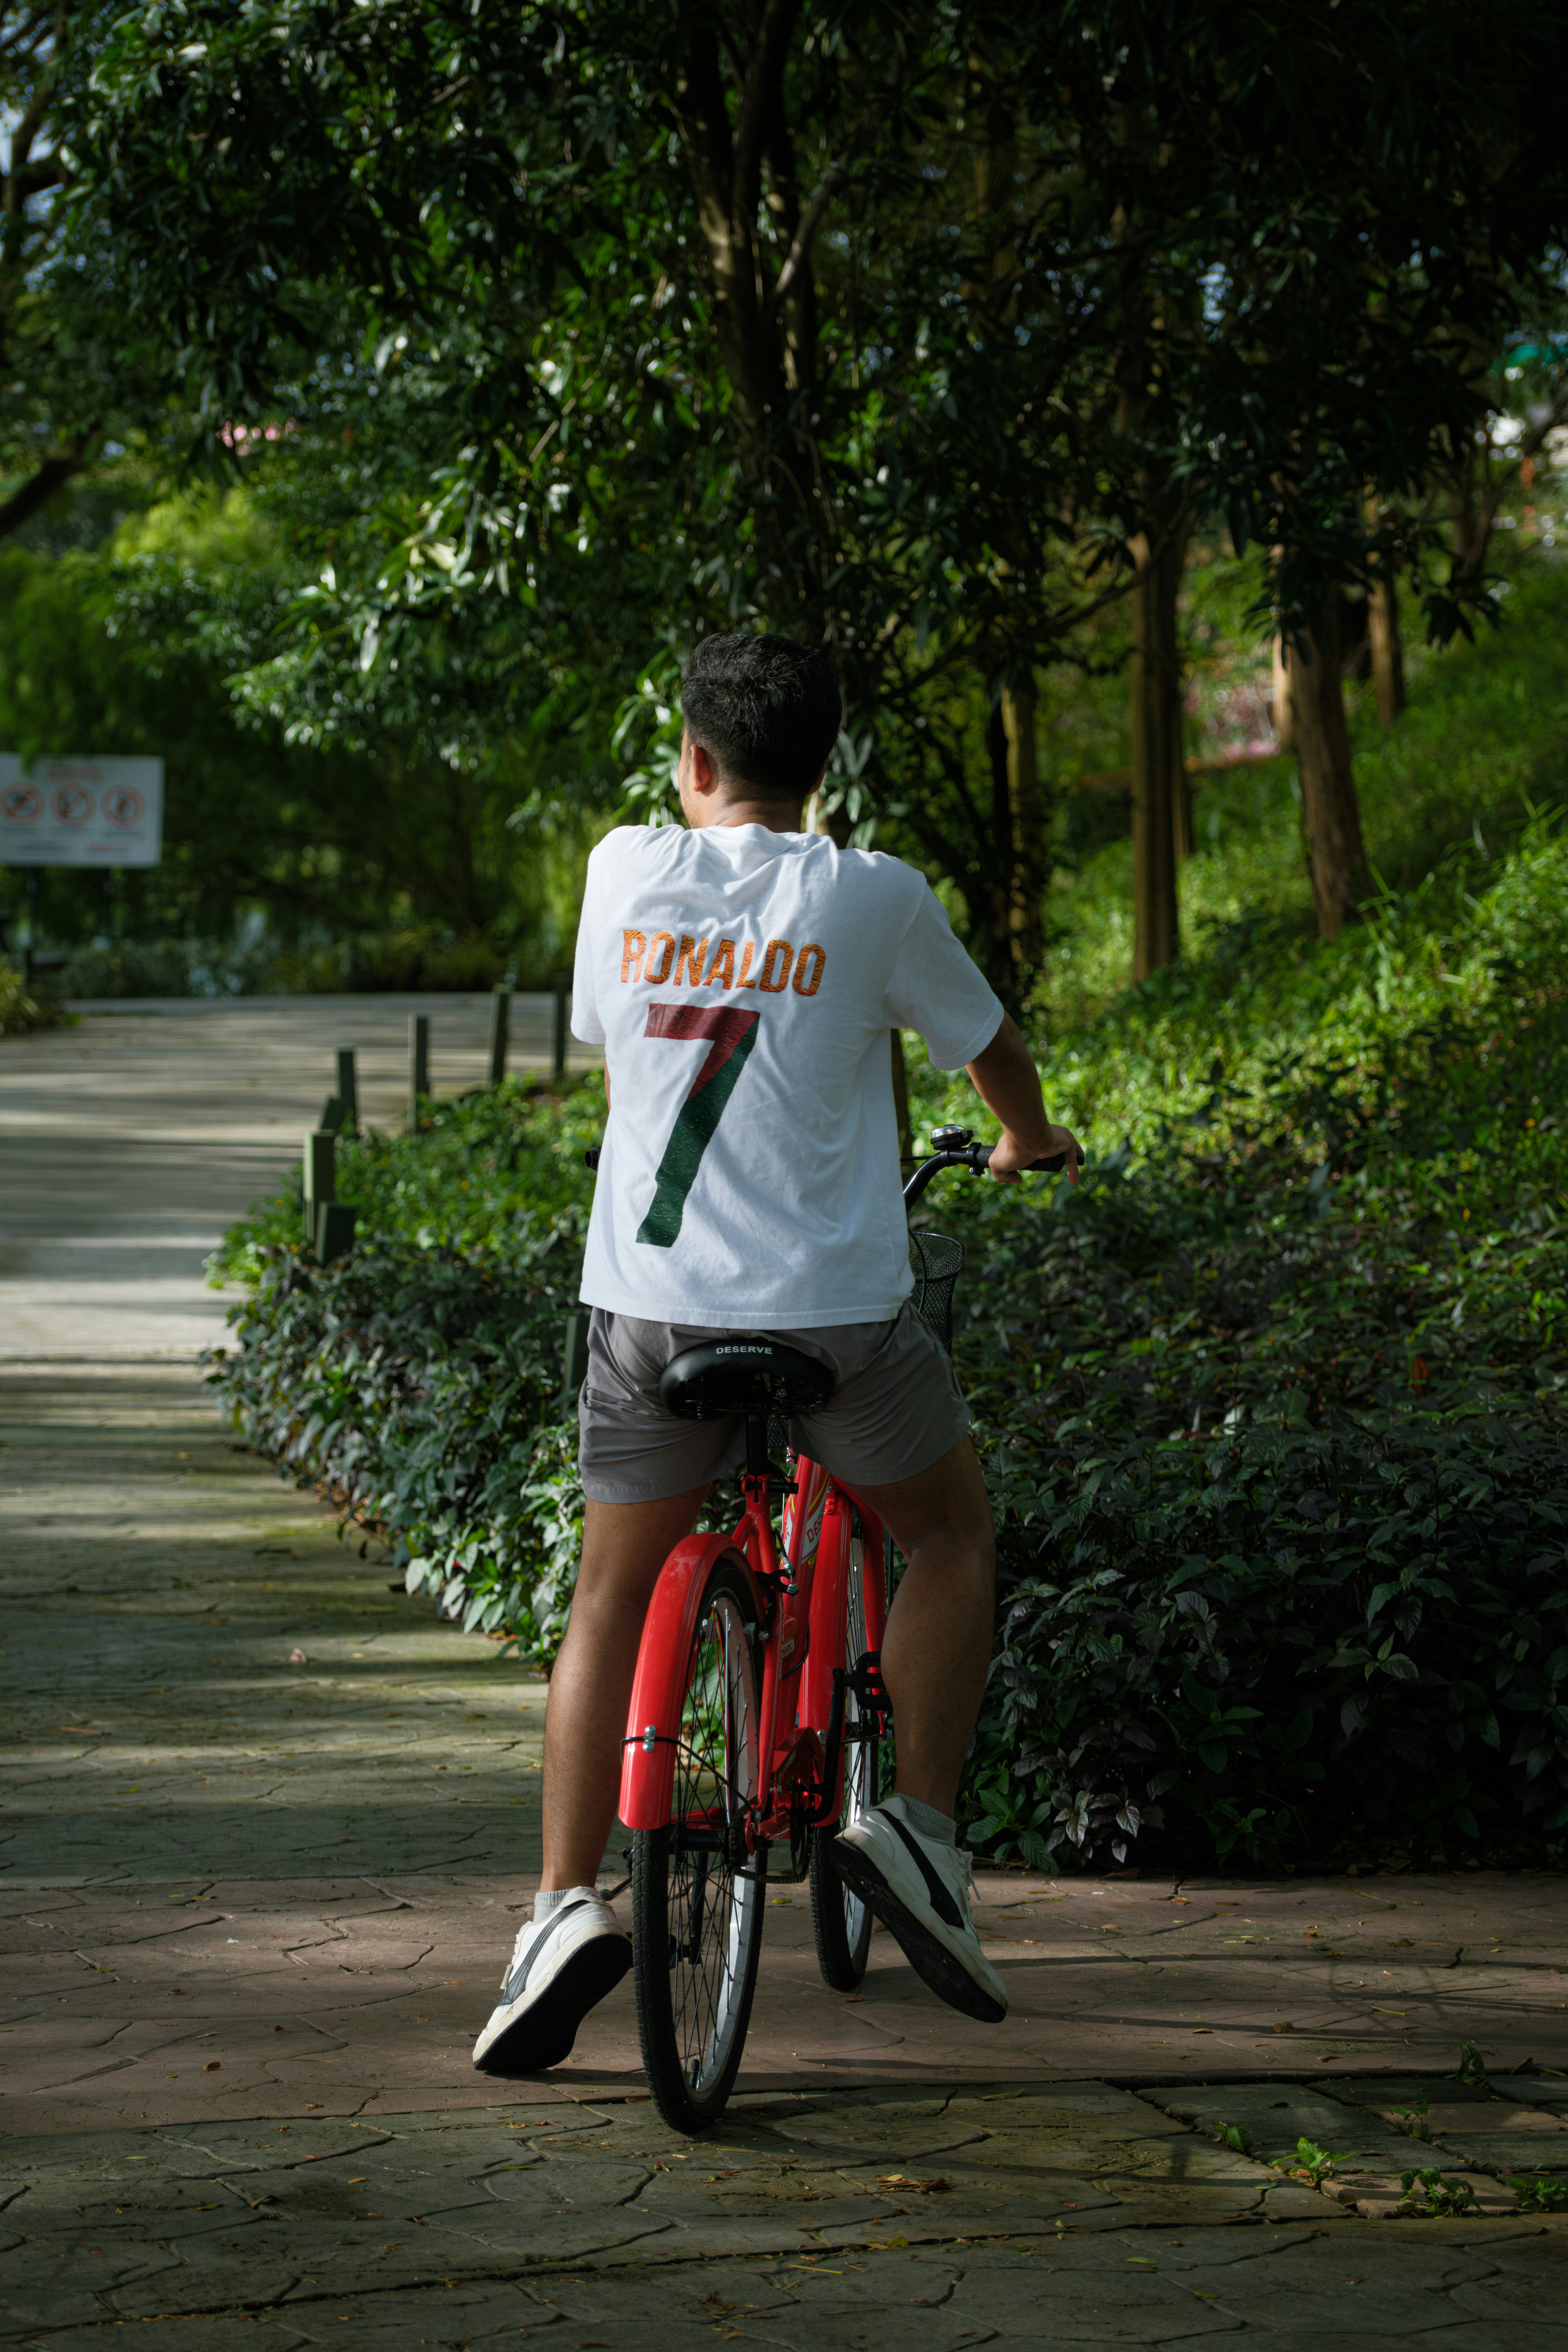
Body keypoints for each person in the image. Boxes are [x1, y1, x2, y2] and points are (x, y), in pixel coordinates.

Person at [474, 633, 1080, 2076]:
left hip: (649, 1319)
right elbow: (993, 1050)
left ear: (692, 762)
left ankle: (561, 1909)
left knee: (611, 1591)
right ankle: (917, 1835)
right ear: (827, 771)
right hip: (839, 1327)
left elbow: (618, 1053)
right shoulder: (871, 898)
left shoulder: (621, 871)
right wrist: (1024, 1136)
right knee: (947, 1535)